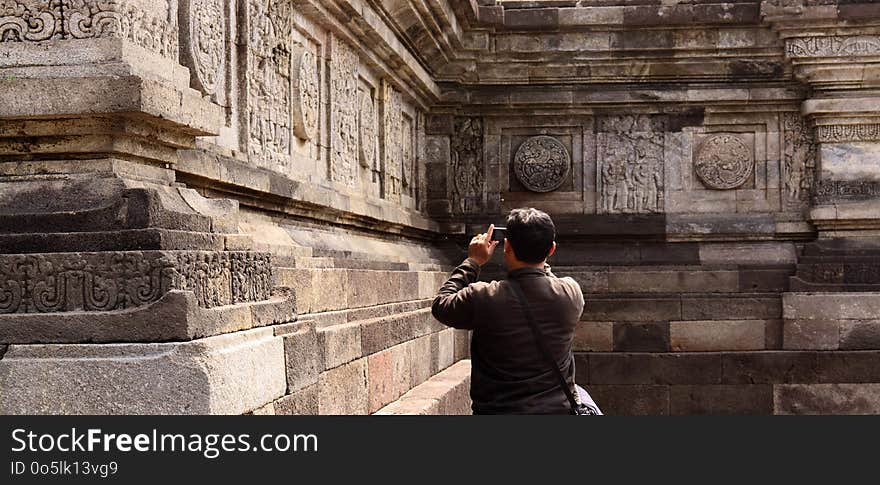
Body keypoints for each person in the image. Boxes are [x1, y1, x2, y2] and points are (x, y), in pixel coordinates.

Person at [431, 208, 586, 414]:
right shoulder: (571, 293)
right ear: (551, 250)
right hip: (556, 410)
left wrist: (473, 261)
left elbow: (441, 305)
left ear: (507, 247)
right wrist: (538, 254)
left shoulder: (484, 297)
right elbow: (546, 277)